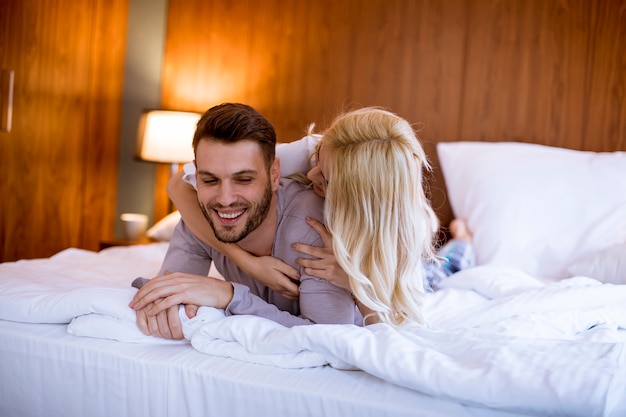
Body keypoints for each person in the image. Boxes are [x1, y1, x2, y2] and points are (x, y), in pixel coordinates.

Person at [159, 106, 474, 330]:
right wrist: (246, 261)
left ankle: (463, 241)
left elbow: (386, 331)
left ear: (355, 200)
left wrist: (355, 280)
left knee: (441, 271)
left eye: (325, 178)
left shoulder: (393, 232)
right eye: (317, 163)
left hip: (404, 245)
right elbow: (178, 184)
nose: (310, 175)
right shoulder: (308, 153)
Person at [129, 103, 361, 340]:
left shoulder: (314, 230)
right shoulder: (199, 216)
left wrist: (229, 295)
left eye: (244, 180)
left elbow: (329, 339)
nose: (225, 200)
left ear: (274, 175)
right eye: (210, 181)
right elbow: (167, 294)